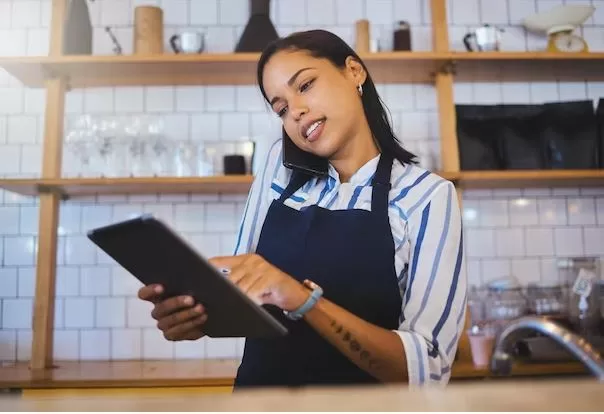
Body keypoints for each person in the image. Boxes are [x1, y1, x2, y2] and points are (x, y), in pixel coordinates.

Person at [138, 29, 467, 389]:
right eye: (280, 108)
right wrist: (197, 316)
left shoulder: (427, 197)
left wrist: (301, 298)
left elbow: (427, 371)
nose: (295, 111)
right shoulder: (278, 171)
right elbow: (240, 292)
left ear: (354, 72)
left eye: (305, 85)